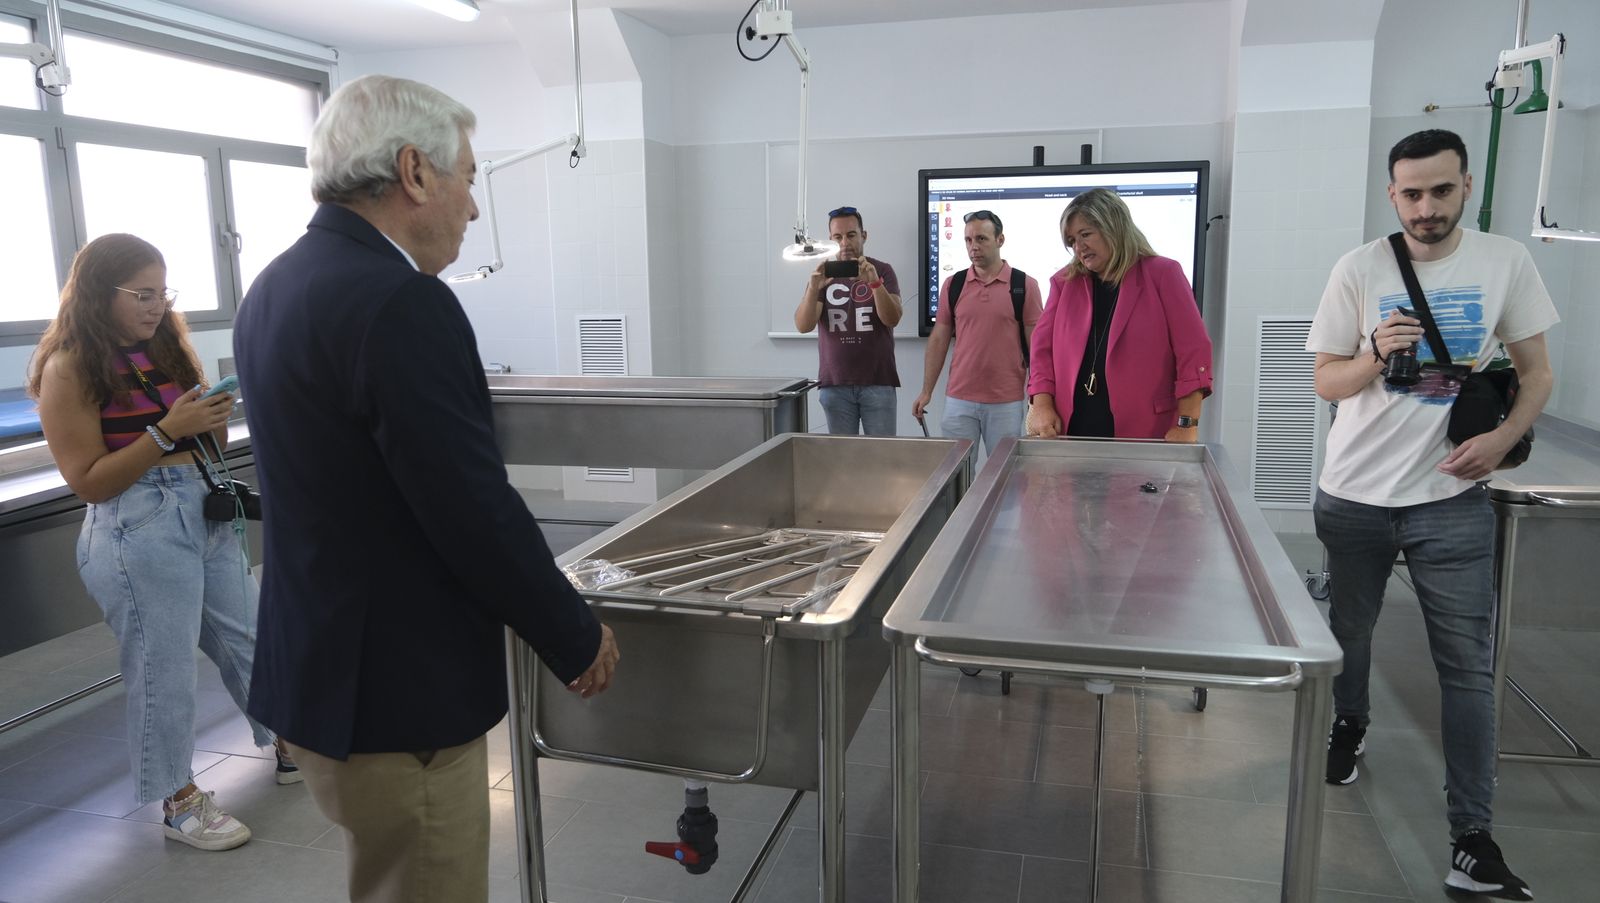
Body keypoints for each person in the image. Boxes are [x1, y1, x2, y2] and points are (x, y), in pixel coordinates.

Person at [233, 75, 619, 903]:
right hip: (398, 697)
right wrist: (572, 632)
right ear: (414, 172)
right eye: (469, 178)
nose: (474, 208)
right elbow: (468, 505)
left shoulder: (276, 284)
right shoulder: (402, 303)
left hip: (319, 675)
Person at [1307, 129, 1555, 902]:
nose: (1426, 208)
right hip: (1354, 495)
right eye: (1411, 193)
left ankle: (1471, 838)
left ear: (1465, 186)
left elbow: (1539, 372)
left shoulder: (1504, 260)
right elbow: (1327, 382)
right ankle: (1350, 721)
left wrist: (1504, 438)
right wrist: (1377, 354)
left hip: (1452, 500)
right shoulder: (1359, 268)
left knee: (1467, 669)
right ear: (1392, 194)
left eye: (1441, 191)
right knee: (1348, 633)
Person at [29, 233, 296, 853]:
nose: (156, 306)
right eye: (141, 295)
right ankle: (178, 799)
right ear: (100, 294)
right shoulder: (67, 367)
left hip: (200, 510)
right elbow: (89, 482)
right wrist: (164, 431)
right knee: (163, 670)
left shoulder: (167, 349)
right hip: (135, 527)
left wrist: (210, 423)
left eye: (162, 293)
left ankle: (288, 738)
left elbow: (200, 445)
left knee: (251, 637)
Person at [1025, 188, 1213, 441]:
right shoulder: (1064, 282)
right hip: (1073, 428)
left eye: (1085, 235)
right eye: (1072, 241)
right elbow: (1041, 349)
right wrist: (1042, 404)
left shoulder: (1163, 274)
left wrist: (1187, 424)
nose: (1079, 247)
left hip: (1146, 430)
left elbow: (1193, 351)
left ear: (1113, 226)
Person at [913, 210, 1042, 456]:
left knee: (1004, 476)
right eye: (968, 240)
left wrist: (1039, 397)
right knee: (955, 475)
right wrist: (926, 391)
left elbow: (1036, 345)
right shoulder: (954, 284)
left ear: (1000, 240)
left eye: (981, 239)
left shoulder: (1024, 285)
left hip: (1006, 401)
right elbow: (939, 339)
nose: (974, 247)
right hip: (959, 400)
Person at [794, 205, 903, 435]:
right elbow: (804, 325)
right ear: (831, 239)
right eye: (838, 237)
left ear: (864, 236)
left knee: (882, 459)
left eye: (851, 235)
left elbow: (892, 319)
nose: (845, 243)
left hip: (878, 382)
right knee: (843, 462)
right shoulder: (823, 274)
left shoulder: (882, 270)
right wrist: (814, 288)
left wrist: (875, 283)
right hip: (835, 384)